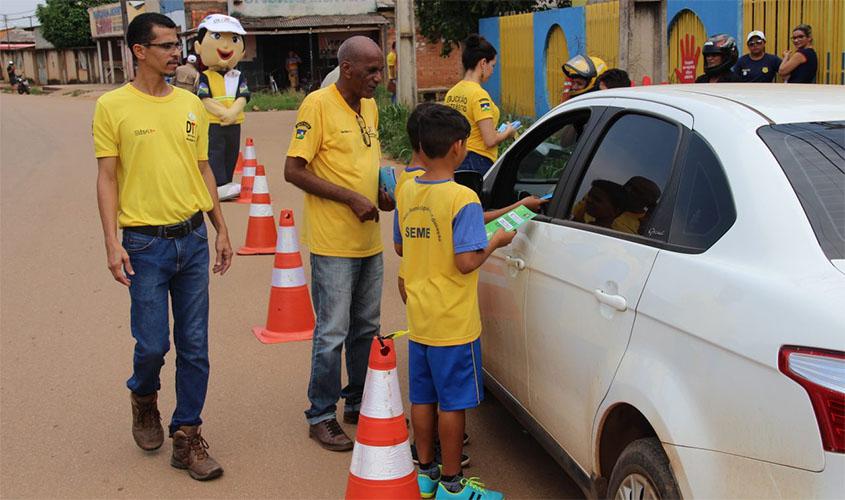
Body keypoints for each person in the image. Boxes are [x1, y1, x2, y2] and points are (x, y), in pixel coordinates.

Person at [93, 12, 232, 481]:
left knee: (195, 345)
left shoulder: (191, 104)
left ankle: (187, 435)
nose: (178, 53)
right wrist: (111, 242)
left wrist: (221, 228)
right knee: (153, 344)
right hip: (143, 244)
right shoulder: (112, 106)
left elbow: (203, 169)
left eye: (178, 44)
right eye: (167, 45)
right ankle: (143, 394)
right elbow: (107, 177)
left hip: (192, 239)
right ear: (140, 51)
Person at [394, 102, 515, 500]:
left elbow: (400, 245)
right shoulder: (463, 198)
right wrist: (497, 241)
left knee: (422, 398)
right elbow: (466, 262)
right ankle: (453, 484)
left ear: (419, 146)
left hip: (420, 318)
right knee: (452, 404)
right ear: (459, 147)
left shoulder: (407, 190)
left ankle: (426, 475)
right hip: (453, 323)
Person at [284, 35, 393, 451]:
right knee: (332, 331)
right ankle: (321, 414)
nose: (378, 78)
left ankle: (359, 403)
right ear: (346, 69)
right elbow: (294, 170)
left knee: (366, 328)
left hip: (368, 240)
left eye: (381, 69)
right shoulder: (317, 105)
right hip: (333, 243)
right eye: (371, 70)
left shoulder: (369, 107)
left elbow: (366, 162)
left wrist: (380, 192)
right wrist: (350, 197)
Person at [444, 34, 517, 176]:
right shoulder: (480, 96)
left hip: (454, 160)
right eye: (492, 65)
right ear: (483, 63)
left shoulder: (452, 93)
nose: (492, 71)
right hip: (478, 162)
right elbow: (490, 140)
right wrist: (508, 132)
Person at [194, 14, 250, 198]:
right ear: (198, 47)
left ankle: (227, 182)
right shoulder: (205, 77)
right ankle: (216, 184)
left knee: (231, 152)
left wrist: (232, 113)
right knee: (215, 153)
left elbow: (243, 95)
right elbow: (204, 98)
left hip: (234, 123)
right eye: (217, 37)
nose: (226, 46)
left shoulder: (238, 75)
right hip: (213, 123)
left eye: (234, 40)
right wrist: (223, 113)